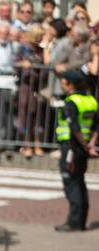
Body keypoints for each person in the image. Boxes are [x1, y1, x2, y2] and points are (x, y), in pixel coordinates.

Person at [53, 70, 97, 232]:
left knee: (71, 182)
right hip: (83, 148)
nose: (62, 84)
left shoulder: (71, 101)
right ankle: (81, 221)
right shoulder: (91, 100)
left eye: (64, 81)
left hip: (71, 147)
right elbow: (95, 126)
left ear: (70, 84)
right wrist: (91, 143)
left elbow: (74, 127)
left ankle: (74, 222)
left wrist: (85, 145)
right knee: (79, 181)